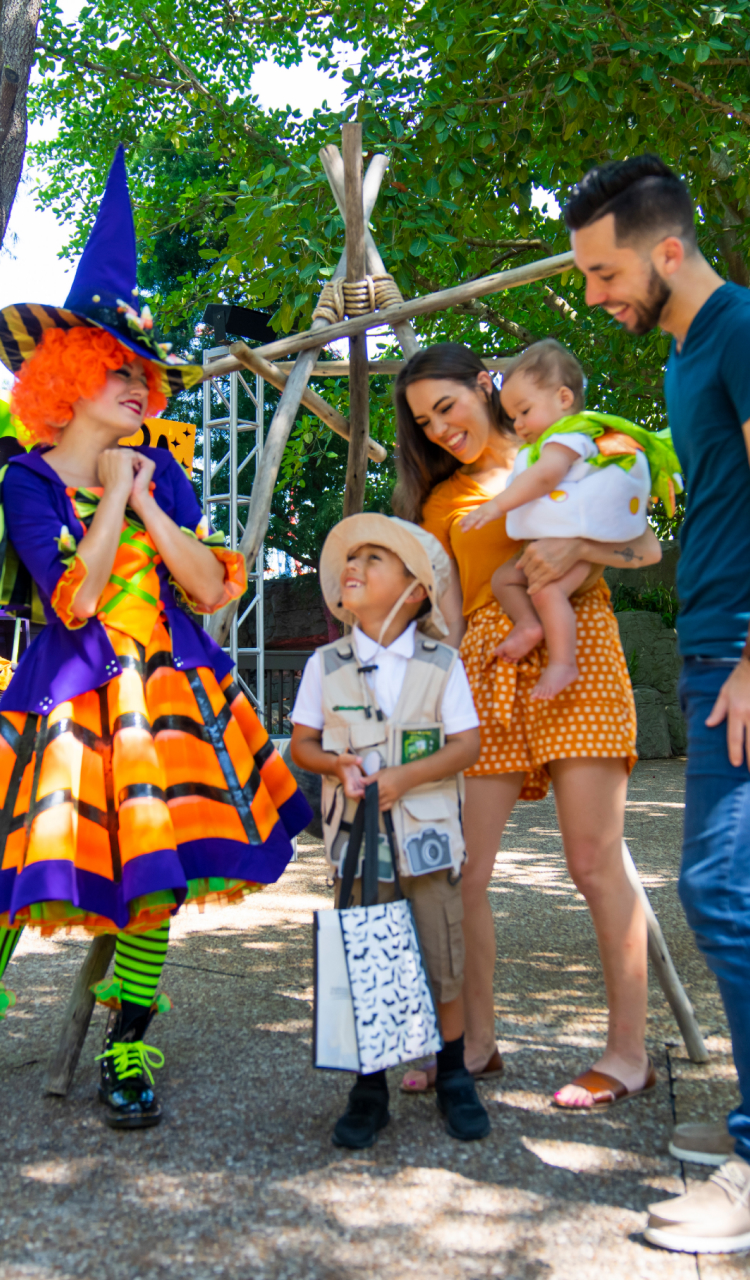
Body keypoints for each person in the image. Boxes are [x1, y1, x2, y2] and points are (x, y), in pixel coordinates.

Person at [0, 146, 311, 1128]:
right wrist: (111, 505)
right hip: (65, 695)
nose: (140, 384)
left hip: (170, 701)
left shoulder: (165, 473)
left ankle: (128, 1047)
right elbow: (74, 599)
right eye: (119, 369)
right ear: (68, 374)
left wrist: (152, 503)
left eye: (145, 373)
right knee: (11, 869)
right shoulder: (27, 479)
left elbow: (215, 585)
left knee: (154, 889)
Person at [392, 342, 663, 1109]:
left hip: (580, 642)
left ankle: (626, 1054)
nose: (440, 429)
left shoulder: (573, 446)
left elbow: (645, 544)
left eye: (447, 406)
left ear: (488, 386)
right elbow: (443, 612)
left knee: (592, 860)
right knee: (464, 870)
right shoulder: (444, 503)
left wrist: (581, 544)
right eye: (423, 421)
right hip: (483, 661)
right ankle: (476, 1043)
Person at [567, 153, 750, 1254]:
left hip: (740, 657)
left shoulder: (737, 327)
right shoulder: (686, 357)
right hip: (710, 644)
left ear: (666, 250)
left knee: (719, 885)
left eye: (602, 272)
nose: (595, 295)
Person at [290, 513, 491, 1148]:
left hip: (428, 839)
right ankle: (368, 1088)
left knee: (443, 956)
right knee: (367, 953)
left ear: (415, 589)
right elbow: (303, 744)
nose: (354, 565)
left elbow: (467, 745)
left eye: (374, 559)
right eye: (351, 560)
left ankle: (454, 1076)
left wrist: (405, 779)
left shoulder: (441, 663)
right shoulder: (326, 665)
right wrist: (334, 763)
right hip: (358, 842)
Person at [461, 339, 678, 699]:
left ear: (563, 399)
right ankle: (530, 626)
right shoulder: (546, 444)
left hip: (587, 542)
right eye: (512, 417)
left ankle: (563, 662)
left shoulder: (571, 436)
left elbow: (546, 477)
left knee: (547, 590)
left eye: (524, 411)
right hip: (546, 548)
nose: (518, 424)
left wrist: (495, 506)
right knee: (505, 579)